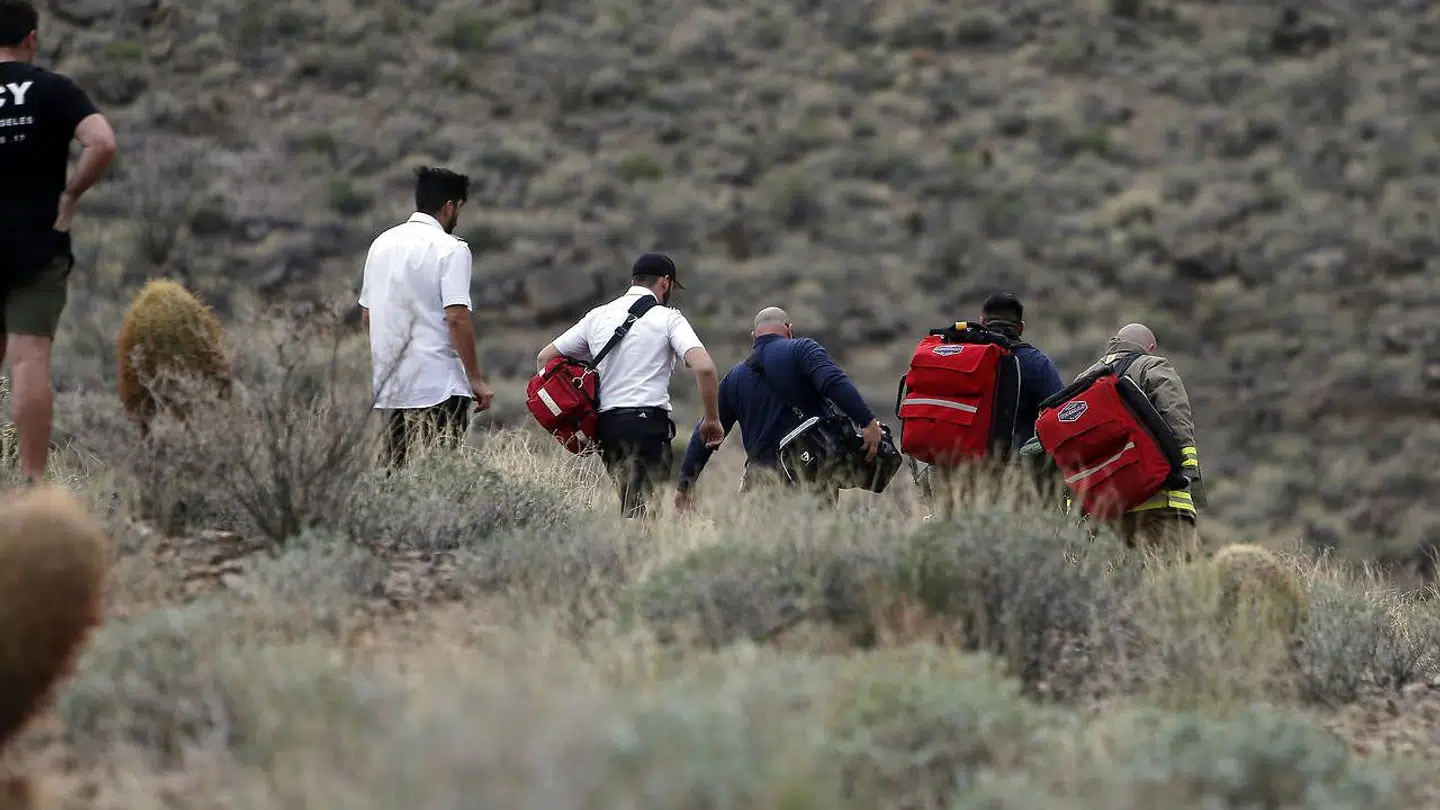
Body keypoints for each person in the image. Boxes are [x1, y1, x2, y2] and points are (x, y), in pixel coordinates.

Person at [0, 0, 116, 486]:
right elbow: (102, 142)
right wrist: (70, 194)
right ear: (32, 39)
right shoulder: (53, 89)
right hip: (36, 244)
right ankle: (33, 483)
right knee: (29, 359)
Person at [537, 252, 721, 519]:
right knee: (646, 511)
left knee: (632, 505)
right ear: (665, 282)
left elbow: (545, 358)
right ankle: (641, 555)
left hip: (607, 427)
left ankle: (631, 553)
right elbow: (704, 367)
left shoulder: (597, 316)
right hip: (648, 425)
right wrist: (712, 419)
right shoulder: (668, 318)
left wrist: (572, 421)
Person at [675, 306, 882, 509]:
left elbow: (707, 433)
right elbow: (834, 383)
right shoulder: (803, 350)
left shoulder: (734, 379)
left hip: (760, 482)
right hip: (809, 474)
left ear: (753, 336)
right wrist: (866, 421)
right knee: (812, 539)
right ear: (789, 330)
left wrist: (685, 485)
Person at [358, 166, 493, 468]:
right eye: (458, 207)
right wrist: (475, 379)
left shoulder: (381, 244)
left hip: (390, 384)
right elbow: (457, 317)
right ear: (449, 207)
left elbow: (368, 317)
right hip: (439, 384)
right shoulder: (451, 249)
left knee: (391, 474)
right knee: (442, 475)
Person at [911, 293, 1065, 513]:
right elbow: (1058, 418)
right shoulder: (1035, 363)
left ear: (982, 322)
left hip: (948, 468)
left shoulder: (955, 353)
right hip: (1008, 474)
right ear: (1020, 327)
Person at [1069, 322, 1206, 554]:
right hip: (1160, 503)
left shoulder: (1083, 379)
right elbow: (1178, 421)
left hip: (1104, 509)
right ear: (1150, 347)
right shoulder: (1153, 367)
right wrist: (1188, 478)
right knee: (1176, 576)